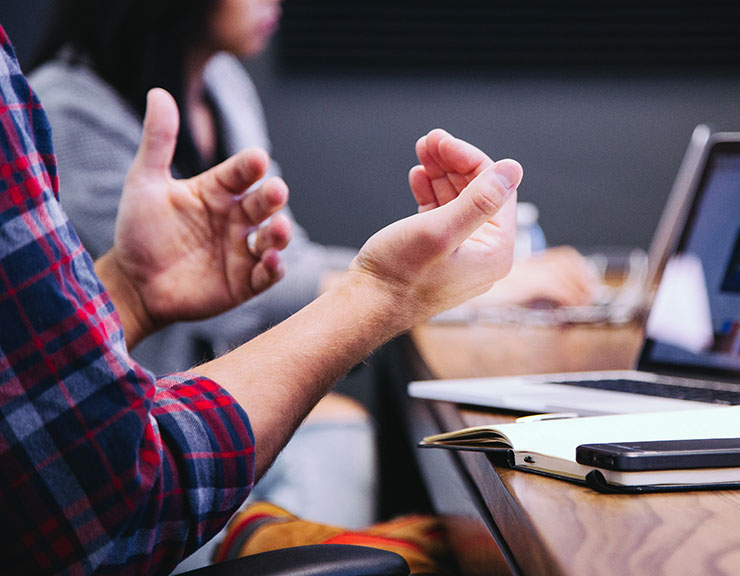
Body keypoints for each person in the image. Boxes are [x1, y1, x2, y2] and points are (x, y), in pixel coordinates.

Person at [0, 20, 523, 575]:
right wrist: (388, 291)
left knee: (342, 428)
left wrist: (129, 292)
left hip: (148, 450)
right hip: (135, 496)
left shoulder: (223, 83)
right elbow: (109, 501)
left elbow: (282, 260)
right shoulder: (68, 107)